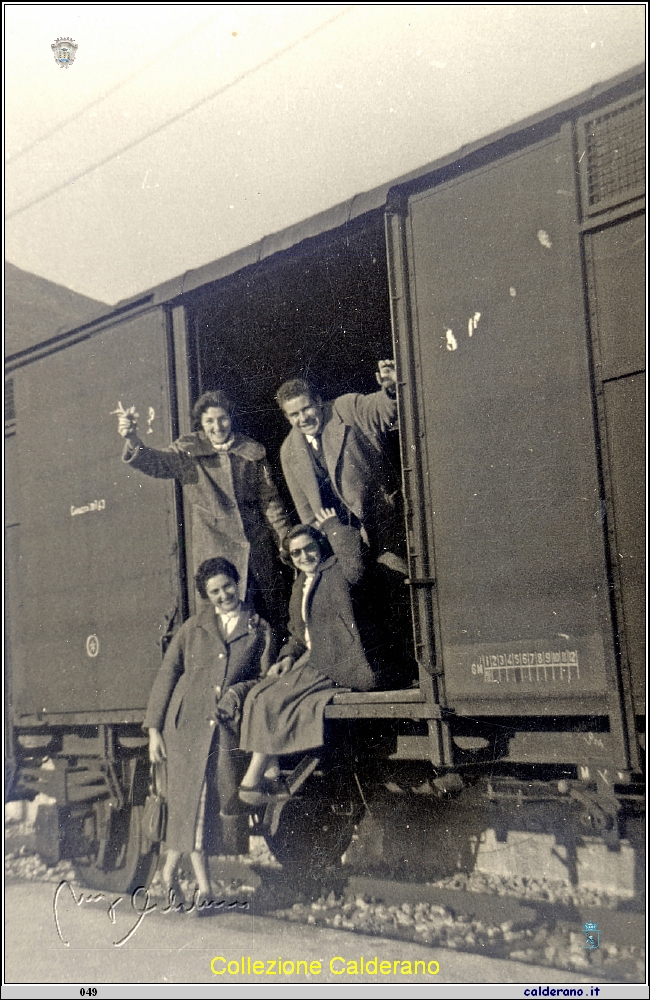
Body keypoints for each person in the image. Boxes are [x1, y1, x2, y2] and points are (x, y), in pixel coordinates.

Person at [144, 557, 272, 909]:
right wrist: (154, 729)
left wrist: (238, 692)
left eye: (227, 586)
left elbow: (264, 680)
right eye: (214, 591)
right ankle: (204, 888)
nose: (222, 595)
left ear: (237, 582)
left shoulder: (259, 628)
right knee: (189, 807)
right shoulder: (192, 628)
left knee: (202, 809)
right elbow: (168, 673)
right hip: (183, 730)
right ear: (206, 594)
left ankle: (170, 874)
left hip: (223, 733)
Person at [237, 509, 383, 805]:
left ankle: (251, 783)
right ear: (290, 559)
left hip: (338, 661)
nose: (304, 556)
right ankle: (271, 774)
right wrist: (288, 656)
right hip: (311, 660)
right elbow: (297, 633)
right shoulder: (300, 584)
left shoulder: (336, 571)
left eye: (309, 548)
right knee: (257, 694)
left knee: (272, 701)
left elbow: (357, 565)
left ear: (320, 545)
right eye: (296, 554)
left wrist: (332, 526)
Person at [117, 390, 291, 634]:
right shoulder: (188, 450)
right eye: (209, 421)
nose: (217, 427)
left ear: (232, 419)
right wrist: (133, 439)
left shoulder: (251, 451)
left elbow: (270, 502)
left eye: (222, 419)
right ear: (201, 422)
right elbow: (157, 464)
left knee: (268, 614)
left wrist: (285, 540)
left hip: (256, 546)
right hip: (215, 548)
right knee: (223, 620)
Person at [275, 359, 405, 571]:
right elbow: (307, 513)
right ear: (287, 417)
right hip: (342, 544)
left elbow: (381, 411)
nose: (303, 419)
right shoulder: (289, 450)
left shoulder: (345, 408)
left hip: (384, 526)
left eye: (306, 409)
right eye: (294, 415)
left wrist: (390, 389)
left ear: (318, 401)